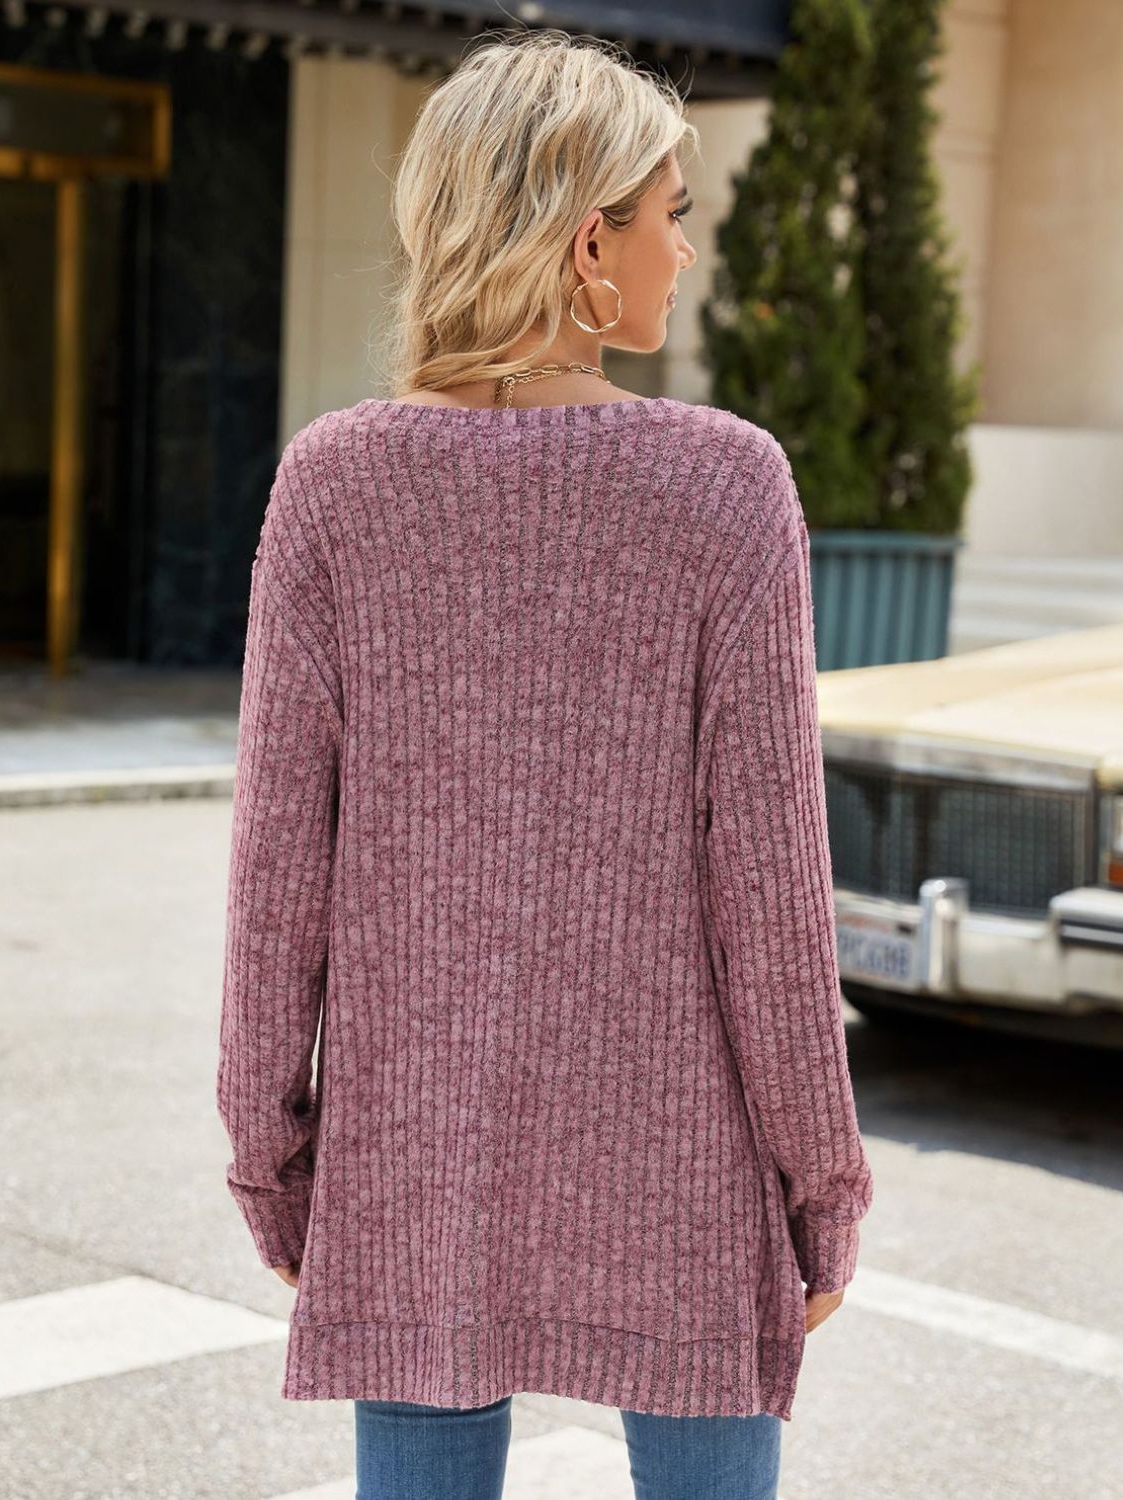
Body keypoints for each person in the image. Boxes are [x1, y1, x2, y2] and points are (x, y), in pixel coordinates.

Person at [216, 26, 874, 1500]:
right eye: (669, 216)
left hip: (416, 1159)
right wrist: (820, 1181)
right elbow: (771, 894)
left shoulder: (334, 481)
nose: (683, 253)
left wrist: (271, 1151)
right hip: (685, 1175)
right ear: (589, 243)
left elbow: (276, 882)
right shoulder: (725, 484)